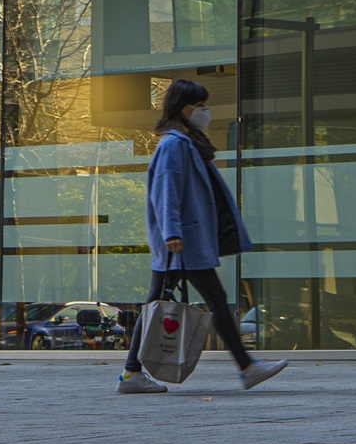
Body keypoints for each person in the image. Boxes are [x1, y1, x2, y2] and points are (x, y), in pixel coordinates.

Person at [120, 79, 288, 394]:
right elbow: (166, 193)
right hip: (183, 242)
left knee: (157, 305)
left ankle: (131, 373)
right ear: (182, 108)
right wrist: (171, 233)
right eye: (199, 106)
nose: (204, 112)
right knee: (212, 300)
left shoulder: (187, 142)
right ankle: (247, 367)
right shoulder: (173, 145)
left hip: (184, 241)